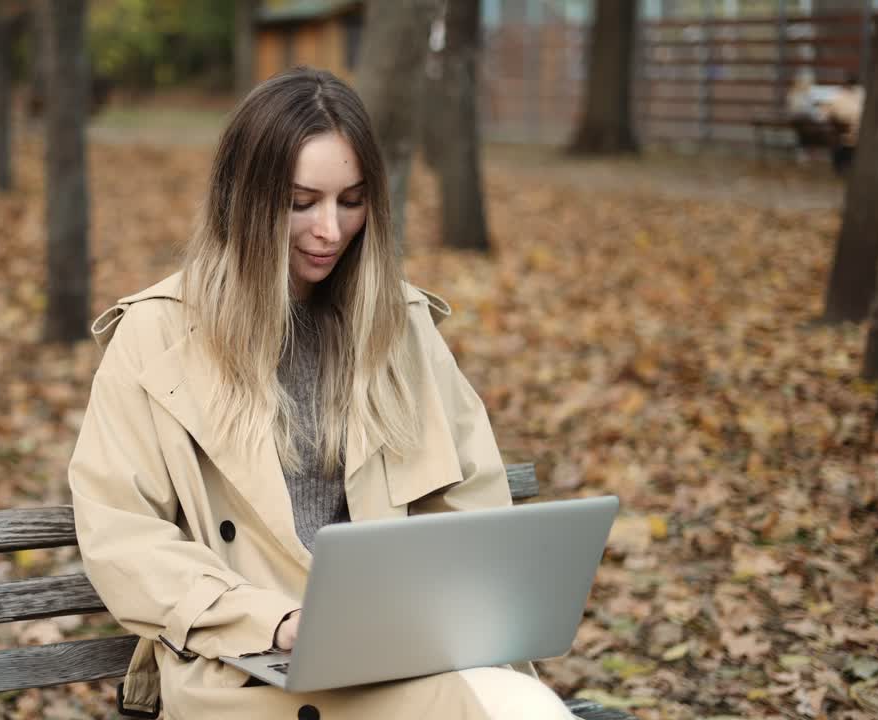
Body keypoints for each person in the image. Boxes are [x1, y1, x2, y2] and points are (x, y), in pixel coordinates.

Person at [69, 66, 573, 719]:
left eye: (352, 200)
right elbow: (121, 536)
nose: (330, 231)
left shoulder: (399, 324)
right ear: (242, 198)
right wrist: (274, 620)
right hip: (246, 667)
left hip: (395, 650)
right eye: (301, 202)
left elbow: (472, 504)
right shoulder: (159, 333)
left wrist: (462, 616)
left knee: (519, 705)